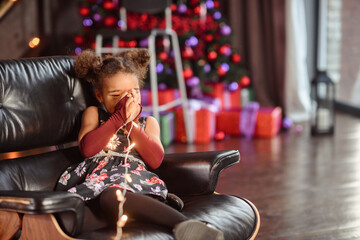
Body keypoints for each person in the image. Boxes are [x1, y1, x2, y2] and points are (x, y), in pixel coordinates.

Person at [55, 49, 223, 240]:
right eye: (115, 95)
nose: (125, 100)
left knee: (113, 196)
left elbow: (155, 160)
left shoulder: (148, 123)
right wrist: (118, 119)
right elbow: (87, 149)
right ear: (100, 96)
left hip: (132, 183)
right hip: (96, 183)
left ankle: (185, 225)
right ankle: (145, 213)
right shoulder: (94, 114)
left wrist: (131, 126)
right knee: (71, 218)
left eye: (133, 92)